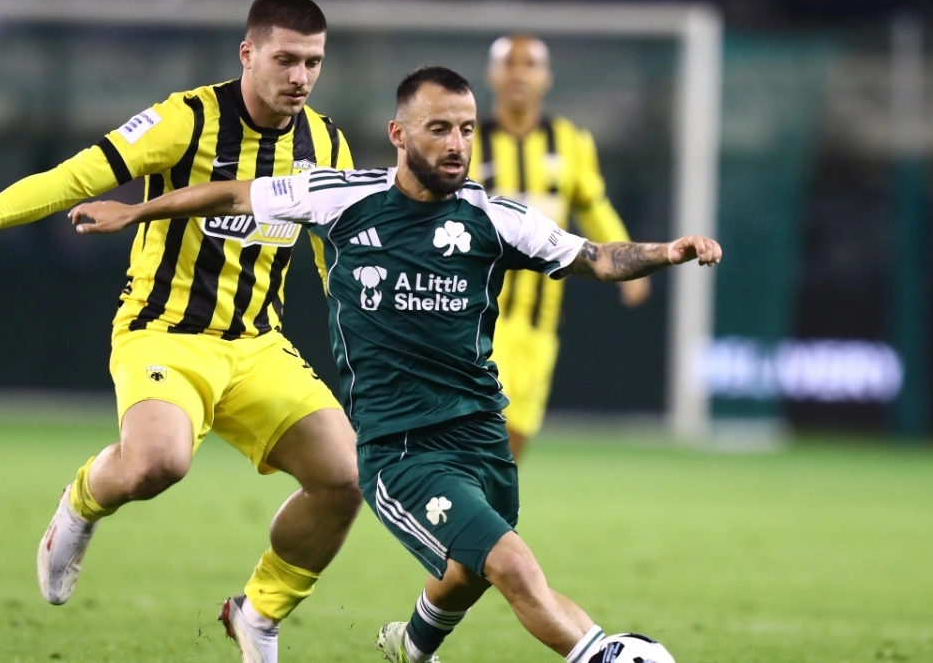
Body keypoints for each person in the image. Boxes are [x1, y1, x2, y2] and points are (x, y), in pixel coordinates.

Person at [67, 66, 720, 663]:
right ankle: (606, 656)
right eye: (440, 129)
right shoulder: (341, 198)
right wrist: (136, 210)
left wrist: (665, 252)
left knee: (470, 572)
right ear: (399, 134)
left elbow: (597, 258)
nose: (458, 144)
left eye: (467, 129)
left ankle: (411, 645)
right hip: (402, 448)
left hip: (481, 436)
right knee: (512, 564)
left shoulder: (496, 218)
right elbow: (233, 195)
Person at [0, 0, 362, 662]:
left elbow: (332, 251)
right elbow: (73, 178)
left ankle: (258, 612)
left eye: (313, 62)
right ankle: (82, 502)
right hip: (164, 333)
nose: (301, 76)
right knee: (159, 462)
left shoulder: (326, 143)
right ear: (248, 53)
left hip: (259, 346)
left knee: (345, 477)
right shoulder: (185, 119)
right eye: (286, 59)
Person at [471, 34, 652, 461]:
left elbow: (592, 207)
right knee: (483, 422)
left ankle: (480, 500)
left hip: (542, 315)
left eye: (529, 64)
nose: (519, 73)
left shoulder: (570, 142)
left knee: (518, 433)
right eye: (509, 63)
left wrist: (628, 264)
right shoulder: (470, 141)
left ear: (546, 78)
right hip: (480, 311)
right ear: (493, 76)